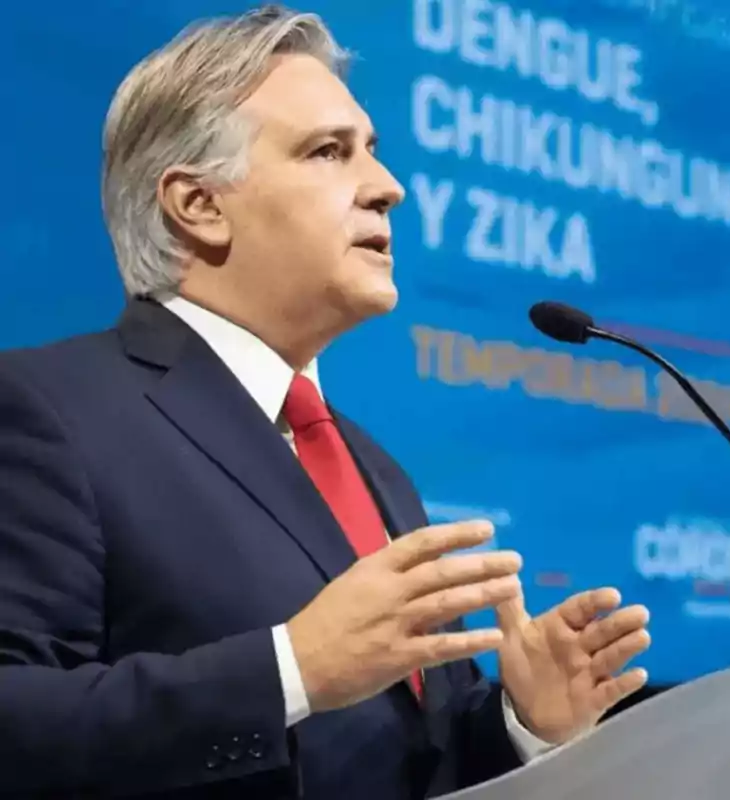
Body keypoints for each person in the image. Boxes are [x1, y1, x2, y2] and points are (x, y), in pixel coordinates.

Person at [0, 6, 651, 798]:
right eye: (329, 152)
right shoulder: (48, 411)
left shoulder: (373, 468)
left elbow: (407, 759)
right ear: (198, 205)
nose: (389, 188)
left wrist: (525, 724)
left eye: (371, 152)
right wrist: (291, 669)